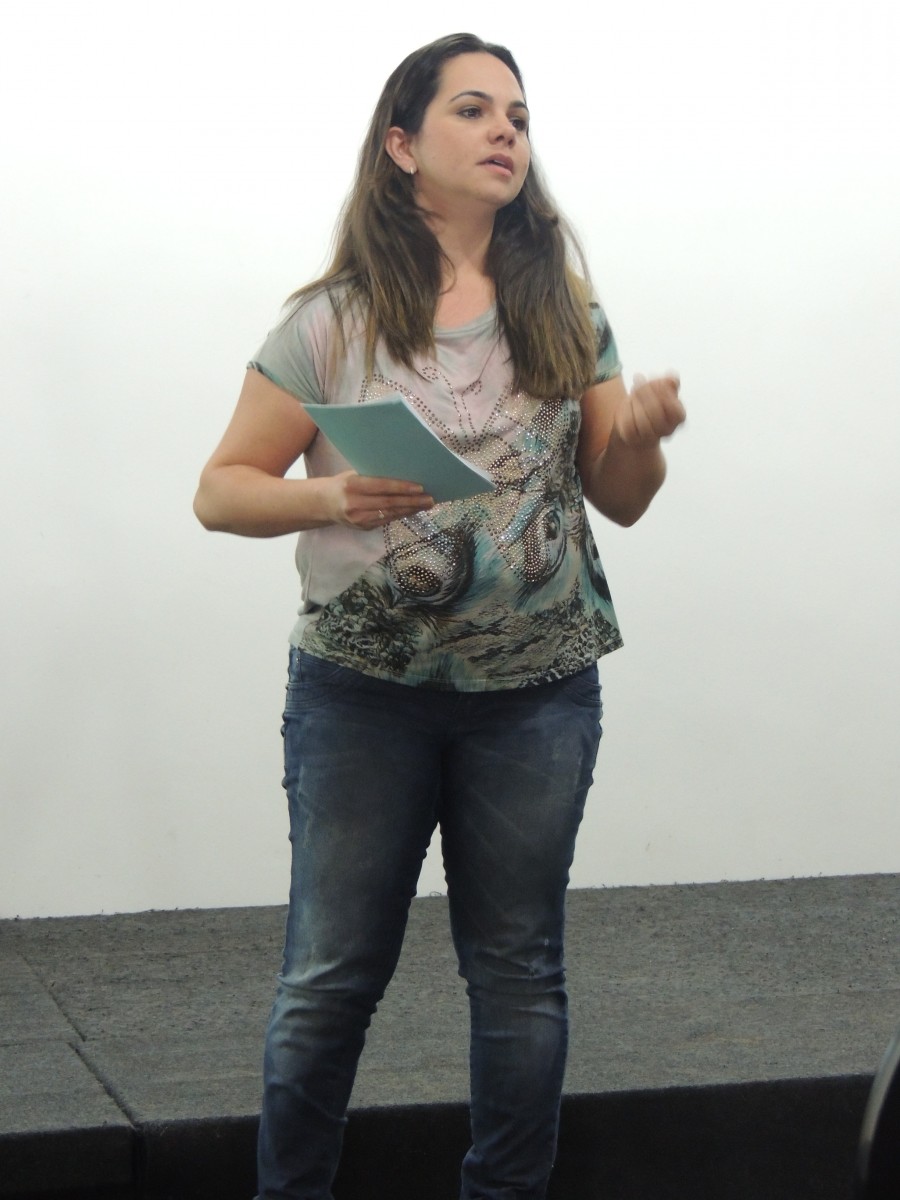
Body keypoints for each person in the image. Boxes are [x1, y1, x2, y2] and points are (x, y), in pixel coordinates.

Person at [194, 31, 685, 1200]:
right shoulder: (332, 321)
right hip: (362, 701)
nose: (505, 130)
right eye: (473, 110)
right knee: (328, 981)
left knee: (520, 977)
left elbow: (620, 499)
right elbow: (220, 489)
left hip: (538, 699)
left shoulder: (565, 309)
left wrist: (641, 440)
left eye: (517, 115)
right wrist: (329, 495)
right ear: (403, 146)